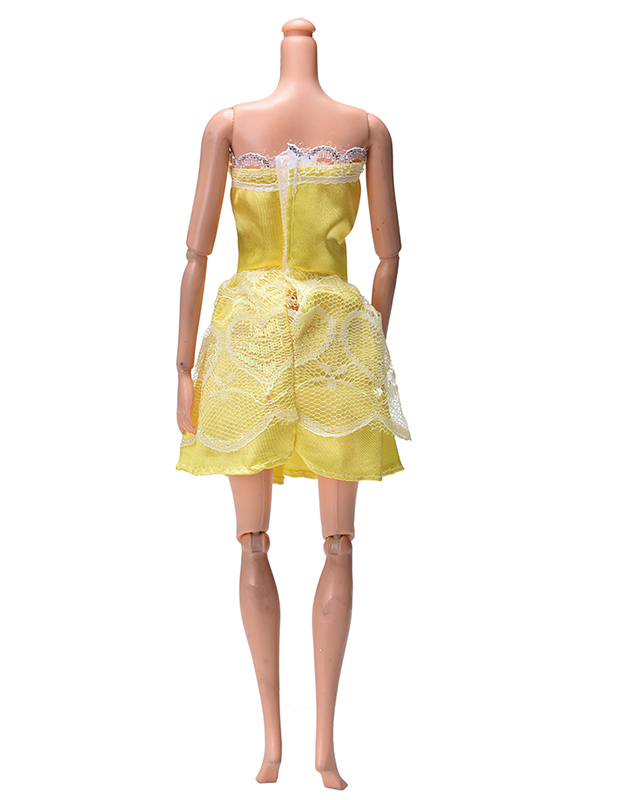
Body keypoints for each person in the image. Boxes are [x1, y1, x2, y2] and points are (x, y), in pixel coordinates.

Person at [175, 18, 410, 790]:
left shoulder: (353, 129)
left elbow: (196, 255)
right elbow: (389, 257)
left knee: (303, 543)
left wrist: (183, 365)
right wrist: (182, 368)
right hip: (276, 345)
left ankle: (315, 746)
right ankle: (283, 744)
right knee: (274, 543)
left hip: (285, 339)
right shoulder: (251, 125)